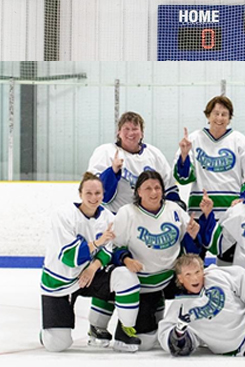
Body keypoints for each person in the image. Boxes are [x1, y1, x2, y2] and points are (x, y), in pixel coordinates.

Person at [87, 170, 210, 351]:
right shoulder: (127, 213)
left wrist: (194, 234)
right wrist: (126, 259)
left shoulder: (174, 210)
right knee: (144, 342)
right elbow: (113, 247)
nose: (154, 193)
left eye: (157, 188)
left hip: (169, 279)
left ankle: (198, 327)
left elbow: (192, 250)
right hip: (140, 284)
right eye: (148, 188)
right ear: (138, 192)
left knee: (201, 285)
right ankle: (101, 321)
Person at [40, 172, 141, 352]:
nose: (93, 198)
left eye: (98, 193)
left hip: (89, 276)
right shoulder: (63, 215)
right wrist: (98, 242)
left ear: (103, 194)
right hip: (59, 282)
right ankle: (47, 332)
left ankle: (120, 332)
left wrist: (93, 267)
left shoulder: (108, 217)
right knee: (58, 344)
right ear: (80, 194)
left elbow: (108, 251)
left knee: (125, 276)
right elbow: (70, 258)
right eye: (88, 193)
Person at [173, 95, 245, 262]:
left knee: (229, 265)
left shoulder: (240, 142)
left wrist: (244, 199)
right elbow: (182, 178)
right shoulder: (193, 140)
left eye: (224, 114)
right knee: (193, 262)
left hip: (229, 214)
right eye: (215, 113)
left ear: (229, 118)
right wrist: (184, 154)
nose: (219, 118)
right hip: (199, 212)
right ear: (208, 115)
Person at [158, 254, 245, 357]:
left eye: (197, 272)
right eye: (188, 274)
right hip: (244, 345)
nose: (194, 278)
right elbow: (177, 347)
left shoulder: (218, 276)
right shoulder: (178, 308)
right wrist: (179, 331)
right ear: (180, 278)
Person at [88, 111, 182, 214]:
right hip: (115, 217)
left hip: (147, 219)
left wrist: (175, 206)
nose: (131, 133)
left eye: (135, 129)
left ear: (142, 133)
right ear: (118, 132)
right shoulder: (105, 152)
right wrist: (112, 171)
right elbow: (99, 195)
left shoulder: (154, 154)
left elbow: (168, 186)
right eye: (126, 129)